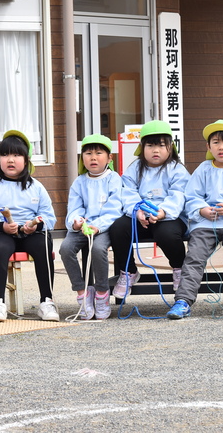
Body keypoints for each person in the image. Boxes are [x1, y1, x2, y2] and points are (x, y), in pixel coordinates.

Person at [0, 130, 58, 322]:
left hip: (30, 234)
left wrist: (35, 225)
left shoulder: (36, 186)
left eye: (17, 155)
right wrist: (0, 227)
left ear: (27, 160)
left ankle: (47, 300)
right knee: (0, 246)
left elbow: (50, 217)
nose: (10, 160)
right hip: (1, 234)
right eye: (5, 154)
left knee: (43, 244)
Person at [109, 120, 190, 299]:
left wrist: (162, 212)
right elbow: (127, 193)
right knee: (118, 228)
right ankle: (128, 271)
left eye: (161, 145)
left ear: (170, 147)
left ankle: (179, 268)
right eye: (150, 145)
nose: (156, 150)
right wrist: (137, 212)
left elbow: (179, 194)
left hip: (169, 217)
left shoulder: (177, 169)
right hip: (140, 215)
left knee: (166, 234)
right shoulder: (134, 169)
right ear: (141, 148)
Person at [168, 120, 223, 319]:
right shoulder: (204, 169)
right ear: (208, 147)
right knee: (194, 259)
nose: (221, 147)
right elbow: (191, 196)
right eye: (215, 142)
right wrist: (202, 210)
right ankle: (183, 301)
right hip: (207, 224)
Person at [59, 134, 123, 320]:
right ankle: (82, 292)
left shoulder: (114, 179)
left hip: (105, 227)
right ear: (82, 158)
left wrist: (98, 226)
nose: (93, 157)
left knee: (97, 248)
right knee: (65, 248)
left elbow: (115, 208)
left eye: (98, 153)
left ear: (109, 158)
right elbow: (74, 207)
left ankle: (102, 293)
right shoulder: (79, 182)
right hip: (83, 227)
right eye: (88, 153)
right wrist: (76, 221)